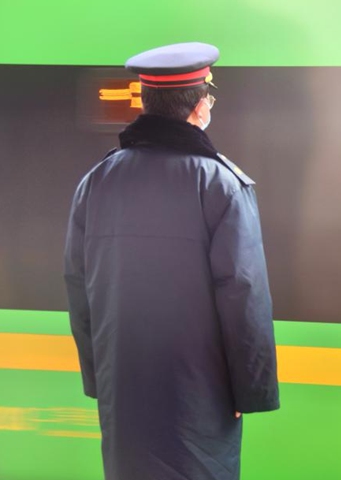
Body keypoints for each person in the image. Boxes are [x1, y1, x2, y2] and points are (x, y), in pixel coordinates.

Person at [63, 42, 279, 480]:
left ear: (146, 103)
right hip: (201, 395)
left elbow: (77, 282)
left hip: (123, 388)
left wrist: (100, 378)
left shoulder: (96, 182)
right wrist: (249, 391)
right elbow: (243, 291)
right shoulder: (222, 184)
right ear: (200, 108)